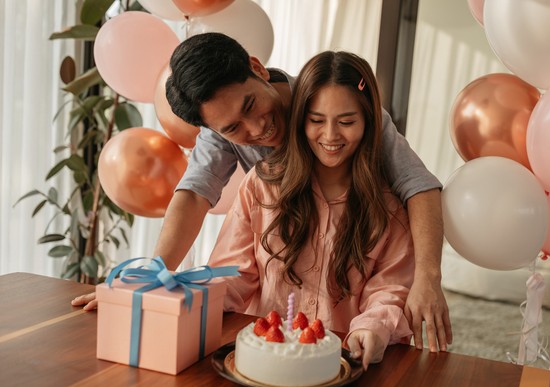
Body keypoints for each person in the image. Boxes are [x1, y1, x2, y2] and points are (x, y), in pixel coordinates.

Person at [72, 32, 451, 352]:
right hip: (274, 340)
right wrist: (152, 281)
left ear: (257, 69)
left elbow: (419, 187)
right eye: (233, 128)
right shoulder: (257, 183)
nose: (257, 129)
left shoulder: (334, 104)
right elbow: (197, 199)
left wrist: (427, 279)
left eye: (251, 105)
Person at [210, 50, 413, 368]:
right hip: (264, 360)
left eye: (346, 122)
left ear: (368, 122)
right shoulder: (261, 185)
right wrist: (193, 299)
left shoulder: (387, 207)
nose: (331, 136)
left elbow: (391, 287)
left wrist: (374, 326)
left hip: (343, 365)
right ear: (300, 119)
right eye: (316, 121)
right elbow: (234, 272)